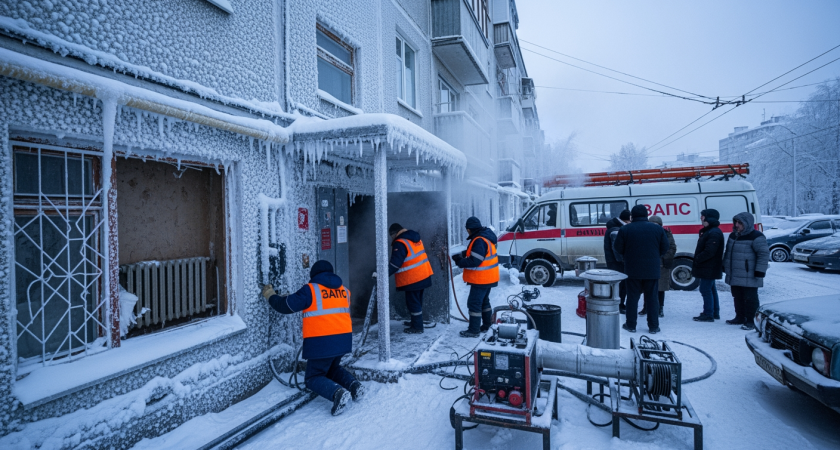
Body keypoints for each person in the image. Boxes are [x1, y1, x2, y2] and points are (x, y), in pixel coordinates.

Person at [262, 260, 364, 416]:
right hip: (343, 340)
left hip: (322, 342)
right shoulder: (344, 290)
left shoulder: (310, 290)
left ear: (314, 275)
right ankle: (355, 386)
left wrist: (270, 295)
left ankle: (338, 394)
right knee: (332, 368)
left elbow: (285, 306)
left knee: (313, 377)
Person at [613, 205, 669, 334]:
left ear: (632, 216)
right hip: (652, 269)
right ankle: (653, 326)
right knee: (652, 298)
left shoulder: (625, 229)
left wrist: (627, 255)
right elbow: (665, 248)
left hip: (632, 269)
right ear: (646, 215)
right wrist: (654, 256)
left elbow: (618, 248)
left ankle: (631, 325)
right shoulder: (657, 229)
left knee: (632, 298)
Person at [452, 216, 499, 337]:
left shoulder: (479, 240)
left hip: (482, 278)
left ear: (469, 229)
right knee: (484, 302)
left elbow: (475, 261)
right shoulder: (485, 237)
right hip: (489, 277)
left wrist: (459, 262)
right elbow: (477, 253)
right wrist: (462, 254)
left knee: (474, 303)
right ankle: (487, 325)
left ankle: (473, 330)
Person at [723, 212, 769, 330]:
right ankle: (740, 317)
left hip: (750, 274)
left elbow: (763, 254)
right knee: (737, 296)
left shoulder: (756, 236)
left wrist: (760, 271)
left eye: (740, 223)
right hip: (735, 273)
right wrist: (725, 265)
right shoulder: (733, 235)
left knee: (750, 298)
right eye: (736, 222)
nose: (737, 225)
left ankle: (752, 321)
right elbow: (728, 253)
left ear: (747, 223)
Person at [388, 223, 434, 334]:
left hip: (413, 279)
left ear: (394, 234)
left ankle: (417, 327)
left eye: (391, 236)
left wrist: (382, 275)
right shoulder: (413, 238)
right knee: (417, 302)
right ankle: (415, 322)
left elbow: (395, 263)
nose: (392, 238)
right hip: (423, 275)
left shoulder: (400, 242)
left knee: (413, 303)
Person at [691, 209, 724, 322]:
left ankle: (708, 314)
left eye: (703, 216)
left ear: (708, 218)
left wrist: (698, 259)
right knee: (711, 289)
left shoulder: (713, 232)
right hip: (709, 266)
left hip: (709, 266)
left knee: (705, 289)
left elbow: (710, 251)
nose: (701, 218)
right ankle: (714, 312)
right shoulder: (709, 231)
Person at [641, 215, 676, 318]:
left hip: (662, 264)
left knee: (660, 288)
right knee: (647, 287)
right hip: (649, 264)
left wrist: (663, 257)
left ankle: (660, 308)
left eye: (656, 224)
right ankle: (646, 307)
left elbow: (672, 248)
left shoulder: (666, 233)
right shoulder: (645, 234)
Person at [603, 210, 631, 314]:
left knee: (618, 284)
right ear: (627, 219)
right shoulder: (616, 230)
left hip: (614, 262)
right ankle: (619, 305)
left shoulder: (615, 227)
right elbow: (617, 249)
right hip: (617, 263)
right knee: (621, 284)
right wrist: (623, 260)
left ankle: (618, 303)